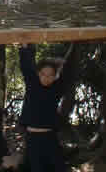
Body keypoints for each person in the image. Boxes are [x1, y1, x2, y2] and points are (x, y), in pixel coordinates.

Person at [19, 43, 75, 172]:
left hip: (50, 137)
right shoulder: (32, 83)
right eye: (43, 74)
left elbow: (69, 68)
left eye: (50, 75)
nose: (46, 78)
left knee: (59, 167)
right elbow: (25, 66)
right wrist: (24, 47)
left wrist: (74, 45)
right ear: (38, 73)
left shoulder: (57, 88)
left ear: (55, 76)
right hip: (32, 138)